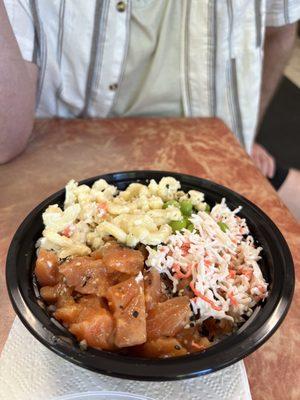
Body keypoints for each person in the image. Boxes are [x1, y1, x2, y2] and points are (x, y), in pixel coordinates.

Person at [0, 1, 299, 217]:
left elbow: (281, 28)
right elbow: (5, 141)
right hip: (66, 165)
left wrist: (242, 136)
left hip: (209, 157)